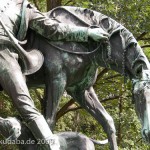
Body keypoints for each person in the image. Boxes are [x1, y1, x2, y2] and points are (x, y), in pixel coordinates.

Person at [0, 0, 108, 149]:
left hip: (3, 54)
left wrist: (87, 33)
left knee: (26, 106)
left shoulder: (23, 8)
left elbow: (54, 29)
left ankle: (50, 146)